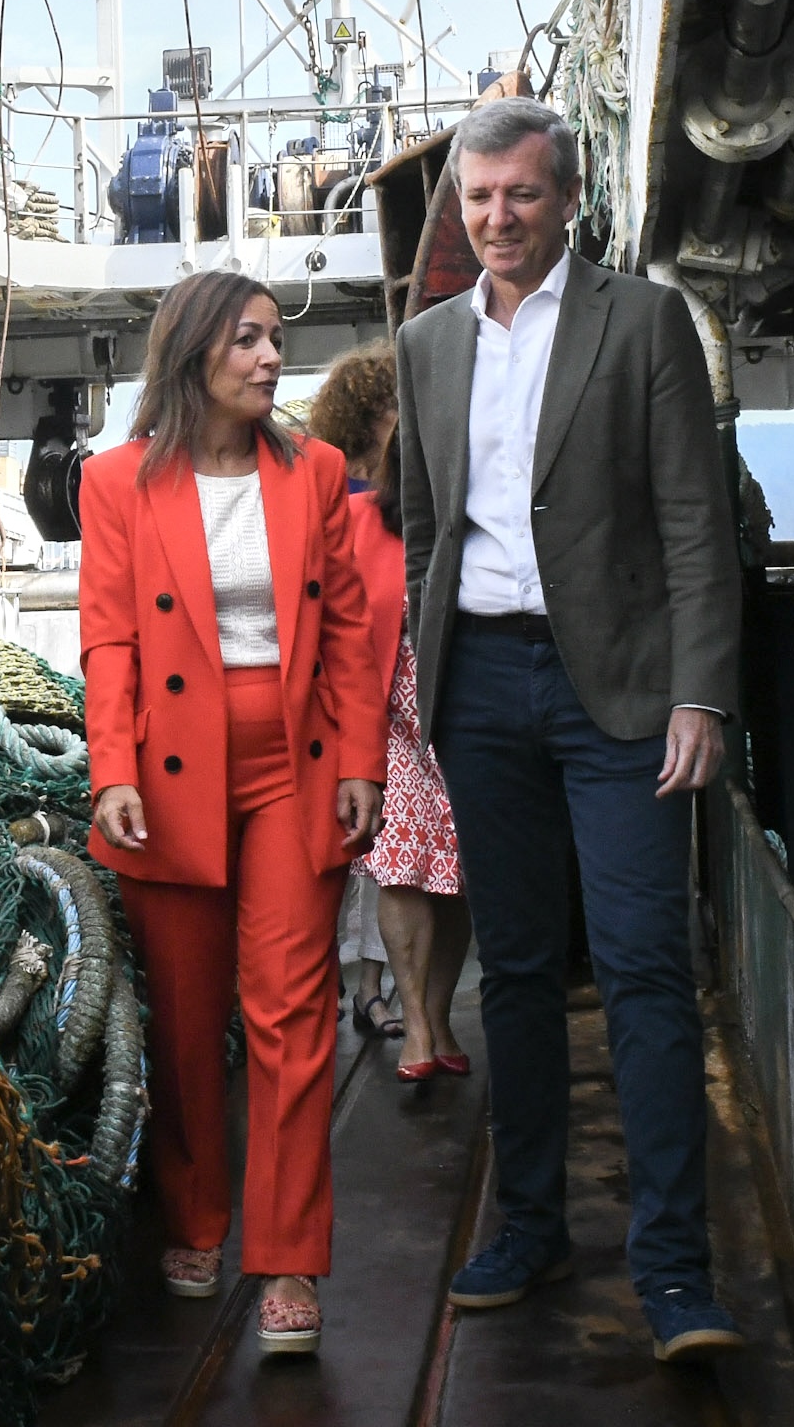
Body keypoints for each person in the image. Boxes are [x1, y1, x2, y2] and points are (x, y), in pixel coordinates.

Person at [391, 95, 746, 1362]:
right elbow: (424, 528)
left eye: (522, 194)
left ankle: (675, 1271)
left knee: (646, 965)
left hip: (624, 692)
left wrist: (700, 690)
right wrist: (434, 682)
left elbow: (696, 521)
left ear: (568, 199)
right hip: (482, 689)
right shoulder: (427, 343)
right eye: (480, 197)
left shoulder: (641, 321)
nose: (499, 218)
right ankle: (530, 1225)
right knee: (518, 970)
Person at [81, 269, 387, 1356]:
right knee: (183, 1015)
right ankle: (196, 1216)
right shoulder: (116, 481)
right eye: (248, 340)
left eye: (273, 341)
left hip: (296, 767)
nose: (270, 359)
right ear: (195, 353)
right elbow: (108, 637)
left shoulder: (317, 472)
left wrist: (362, 758)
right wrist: (112, 768)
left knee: (292, 1013)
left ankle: (289, 1258)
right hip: (170, 772)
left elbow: (349, 631)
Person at [308, 341, 472, 1083]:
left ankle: (439, 1017)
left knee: (458, 871)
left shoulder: (455, 504)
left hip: (460, 706)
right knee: (403, 865)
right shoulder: (346, 515)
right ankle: (416, 1027)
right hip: (386, 718)